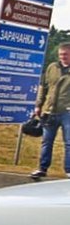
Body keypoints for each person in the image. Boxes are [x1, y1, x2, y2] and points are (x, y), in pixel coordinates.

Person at [29, 42, 70, 180]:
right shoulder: (52, 67)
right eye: (61, 54)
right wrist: (38, 105)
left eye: (65, 54)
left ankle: (69, 170)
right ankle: (42, 168)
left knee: (69, 142)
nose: (63, 57)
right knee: (47, 141)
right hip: (50, 111)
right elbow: (44, 88)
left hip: (67, 112)